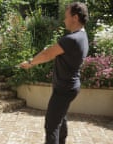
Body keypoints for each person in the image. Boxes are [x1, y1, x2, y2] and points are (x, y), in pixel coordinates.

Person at [20, 2, 89, 144]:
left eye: (66, 16)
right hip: (69, 87)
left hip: (64, 88)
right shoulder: (82, 36)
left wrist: (30, 63)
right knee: (60, 119)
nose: (64, 20)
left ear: (75, 17)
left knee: (51, 125)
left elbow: (47, 54)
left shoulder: (72, 39)